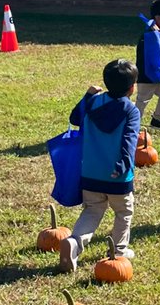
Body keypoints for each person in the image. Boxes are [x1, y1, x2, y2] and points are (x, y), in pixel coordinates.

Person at [59, 59, 141, 273]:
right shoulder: (131, 110)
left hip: (90, 173)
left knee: (92, 211)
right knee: (123, 212)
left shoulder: (93, 102)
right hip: (117, 176)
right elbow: (129, 140)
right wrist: (123, 164)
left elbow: (75, 118)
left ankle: (75, 242)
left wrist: (87, 96)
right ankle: (119, 250)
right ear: (132, 87)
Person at [135, 0, 160, 131]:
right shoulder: (151, 34)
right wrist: (157, 71)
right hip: (148, 75)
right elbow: (152, 57)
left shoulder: (159, 32)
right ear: (158, 17)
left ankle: (157, 119)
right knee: (142, 100)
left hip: (158, 76)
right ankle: (133, 124)